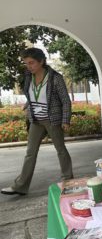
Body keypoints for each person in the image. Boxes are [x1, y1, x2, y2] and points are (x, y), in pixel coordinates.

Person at [1, 48, 73, 196]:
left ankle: (68, 181)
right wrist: (28, 103)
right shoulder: (29, 76)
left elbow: (65, 100)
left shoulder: (55, 78)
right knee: (30, 153)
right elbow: (34, 93)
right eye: (26, 63)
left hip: (53, 120)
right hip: (36, 120)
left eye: (31, 63)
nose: (28, 66)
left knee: (61, 150)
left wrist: (66, 120)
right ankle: (20, 186)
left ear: (41, 61)